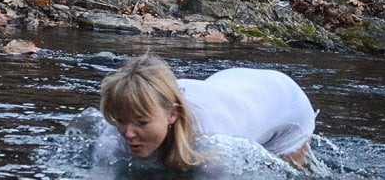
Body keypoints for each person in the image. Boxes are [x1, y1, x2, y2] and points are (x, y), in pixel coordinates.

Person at [99, 53, 316, 171]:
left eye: (142, 123)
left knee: (284, 174)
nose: (128, 134)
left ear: (172, 114)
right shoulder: (121, 125)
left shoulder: (213, 144)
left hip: (283, 102)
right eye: (120, 121)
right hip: (231, 84)